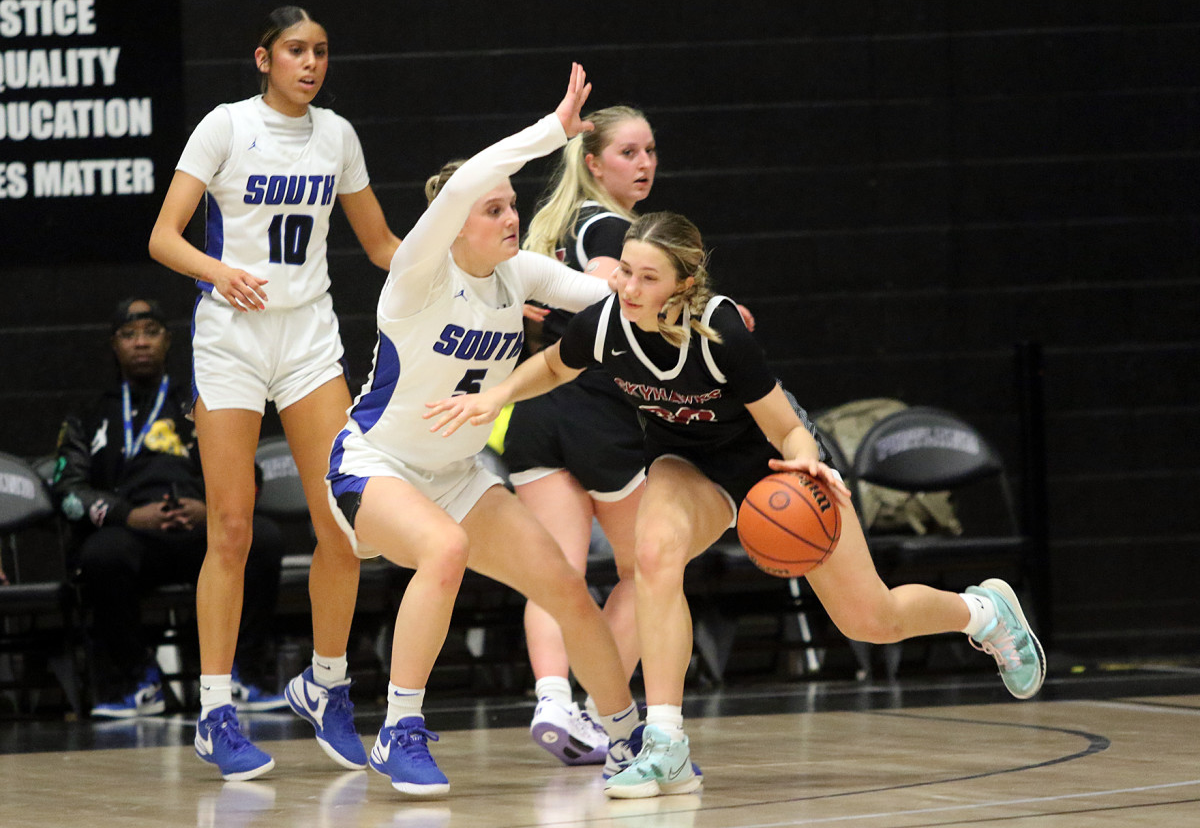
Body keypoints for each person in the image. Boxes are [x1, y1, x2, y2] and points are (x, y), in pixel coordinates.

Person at [428, 210, 1048, 800]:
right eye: (624, 271)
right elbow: (554, 366)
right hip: (687, 464)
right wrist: (497, 395)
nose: (628, 286)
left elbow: (786, 428)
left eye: (647, 277)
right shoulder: (605, 323)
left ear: (684, 285)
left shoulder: (720, 331)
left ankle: (983, 613)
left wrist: (808, 461)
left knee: (871, 620)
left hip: (771, 463)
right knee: (652, 555)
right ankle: (665, 739)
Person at [325, 63, 644, 798]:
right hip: (378, 464)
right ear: (457, 219)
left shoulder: (520, 272)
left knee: (566, 587)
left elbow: (612, 296)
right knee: (445, 550)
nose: (511, 217)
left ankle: (627, 737)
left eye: (512, 207)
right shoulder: (416, 273)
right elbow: (474, 177)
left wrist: (700, 308)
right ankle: (399, 729)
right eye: (494, 208)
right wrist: (547, 133)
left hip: (462, 475)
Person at [148, 6, 401, 780]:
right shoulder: (225, 127)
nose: (311, 62)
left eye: (321, 50)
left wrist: (476, 276)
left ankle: (326, 685)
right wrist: (218, 271)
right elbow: (164, 237)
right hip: (231, 337)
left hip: (308, 339)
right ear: (264, 57)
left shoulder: (339, 136)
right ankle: (215, 708)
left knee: (344, 524)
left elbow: (383, 245)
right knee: (231, 527)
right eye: (296, 49)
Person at [497, 106, 658, 765]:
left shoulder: (544, 226)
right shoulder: (611, 225)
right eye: (628, 152)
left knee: (556, 574)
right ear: (593, 163)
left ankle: (554, 700)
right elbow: (604, 281)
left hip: (535, 410)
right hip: (596, 408)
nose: (644, 163)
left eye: (650, 150)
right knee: (649, 570)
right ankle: (604, 711)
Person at [53, 297, 287, 719]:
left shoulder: (203, 402)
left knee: (263, 539)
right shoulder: (89, 414)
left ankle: (241, 676)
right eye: (129, 335)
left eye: (151, 332)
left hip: (203, 530)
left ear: (168, 340)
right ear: (114, 344)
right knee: (101, 555)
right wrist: (127, 514)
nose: (140, 343)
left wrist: (210, 508)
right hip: (133, 534)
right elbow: (67, 489)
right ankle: (140, 682)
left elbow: (248, 472)